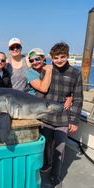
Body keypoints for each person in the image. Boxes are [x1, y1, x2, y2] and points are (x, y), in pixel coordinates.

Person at [39, 42, 83, 187]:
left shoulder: (75, 73)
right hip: (46, 116)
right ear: (51, 58)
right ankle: (46, 165)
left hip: (63, 118)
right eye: (56, 57)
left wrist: (74, 120)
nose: (59, 60)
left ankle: (56, 176)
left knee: (60, 149)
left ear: (68, 56)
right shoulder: (47, 71)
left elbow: (78, 98)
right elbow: (41, 91)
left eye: (62, 57)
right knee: (45, 145)